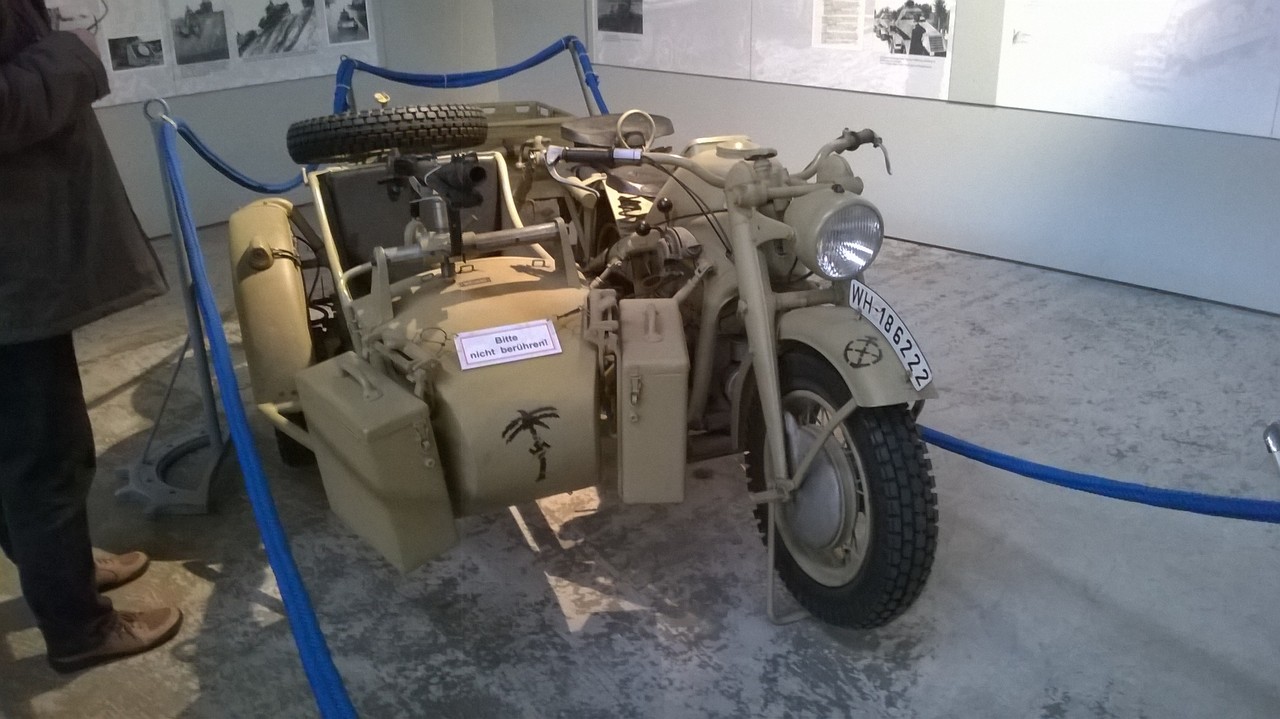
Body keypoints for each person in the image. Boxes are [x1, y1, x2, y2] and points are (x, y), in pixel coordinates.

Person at [0, 0, 182, 673]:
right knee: (47, 454)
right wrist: (71, 53)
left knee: (22, 445)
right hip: (12, 275)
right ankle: (80, 627)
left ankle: (59, 569)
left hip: (18, 266)